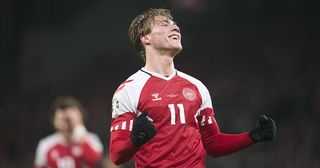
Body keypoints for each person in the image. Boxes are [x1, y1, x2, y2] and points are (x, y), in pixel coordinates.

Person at [109, 8, 276, 167]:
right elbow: (116, 156)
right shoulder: (129, 90)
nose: (175, 27)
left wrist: (252, 136)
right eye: (164, 24)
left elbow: (213, 144)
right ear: (145, 38)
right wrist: (135, 140)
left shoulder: (197, 87)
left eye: (174, 23)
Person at [34, 96, 103, 168]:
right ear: (54, 121)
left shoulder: (91, 139)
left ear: (81, 118)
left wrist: (82, 138)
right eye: (62, 119)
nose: (66, 122)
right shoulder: (46, 145)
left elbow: (95, 162)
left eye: (69, 118)